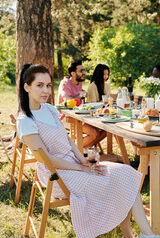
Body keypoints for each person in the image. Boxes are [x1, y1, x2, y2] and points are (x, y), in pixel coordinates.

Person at [17, 63, 159, 238]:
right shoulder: (25, 120)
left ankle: (144, 234)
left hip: (74, 165)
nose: (46, 90)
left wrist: (82, 159)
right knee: (115, 182)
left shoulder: (50, 109)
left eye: (48, 85)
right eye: (39, 85)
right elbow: (48, 159)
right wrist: (81, 168)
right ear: (26, 86)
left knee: (126, 173)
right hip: (57, 176)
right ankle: (141, 235)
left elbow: (66, 138)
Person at [57, 60, 106, 149]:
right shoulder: (65, 83)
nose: (84, 73)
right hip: (66, 117)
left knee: (106, 130)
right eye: (81, 71)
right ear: (73, 73)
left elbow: (79, 100)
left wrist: (83, 93)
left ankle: (82, 150)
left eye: (83, 70)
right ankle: (72, 151)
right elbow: (67, 100)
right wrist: (79, 96)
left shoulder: (79, 82)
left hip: (80, 115)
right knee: (94, 133)